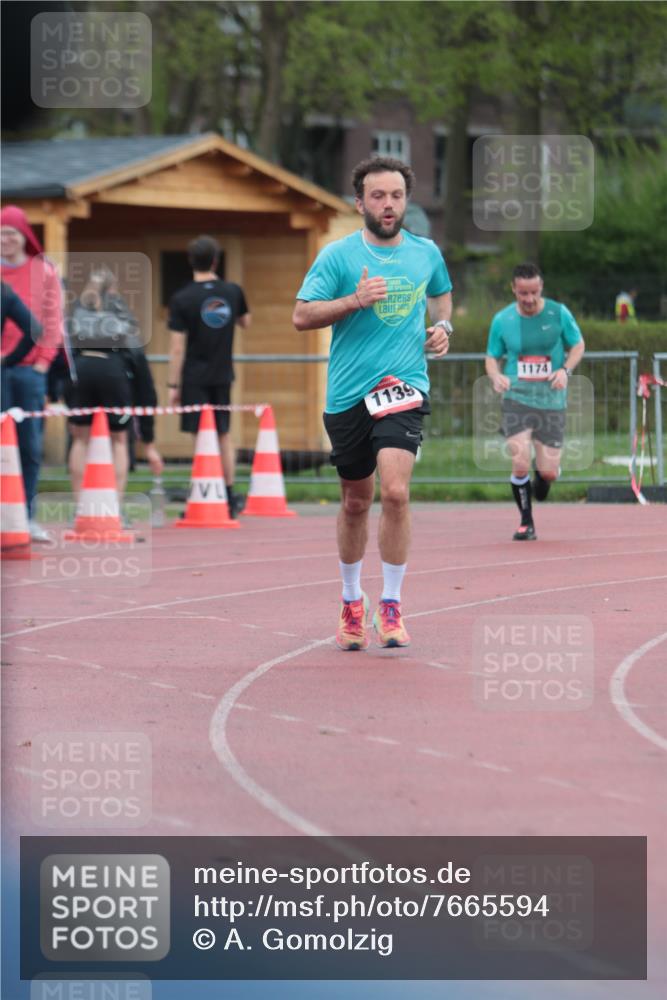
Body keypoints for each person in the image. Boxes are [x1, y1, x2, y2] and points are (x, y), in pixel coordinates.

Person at [293, 156, 453, 651]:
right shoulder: (338, 256)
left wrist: (443, 328)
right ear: (360, 202)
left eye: (397, 196)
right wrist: (353, 301)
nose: (388, 205)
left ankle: (391, 604)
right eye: (378, 196)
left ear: (407, 201)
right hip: (348, 395)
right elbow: (302, 315)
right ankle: (350, 599)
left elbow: (442, 297)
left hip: (402, 386)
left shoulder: (427, 253)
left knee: (397, 493)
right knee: (356, 501)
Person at [485, 263, 585, 541]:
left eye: (533, 292)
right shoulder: (502, 319)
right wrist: (495, 376)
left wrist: (565, 370)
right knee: (519, 461)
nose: (528, 299)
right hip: (517, 398)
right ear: (513, 290)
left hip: (551, 399)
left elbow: (577, 345)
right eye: (522, 293)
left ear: (541, 288)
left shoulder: (558, 313)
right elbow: (492, 356)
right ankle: (525, 522)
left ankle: (544, 477)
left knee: (548, 473)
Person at [167, 236, 251, 518]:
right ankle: (228, 495)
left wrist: (172, 384)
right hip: (222, 374)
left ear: (191, 261)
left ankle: (205, 496)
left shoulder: (182, 298)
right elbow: (245, 322)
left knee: (201, 437)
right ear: (216, 260)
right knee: (223, 435)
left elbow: (177, 347)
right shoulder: (232, 291)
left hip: (194, 376)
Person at [64, 267, 162, 500]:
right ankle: (115, 503)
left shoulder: (77, 311)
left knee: (80, 437)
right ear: (114, 289)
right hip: (112, 369)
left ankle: (80, 503)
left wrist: (64, 391)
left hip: (82, 370)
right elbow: (136, 353)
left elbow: (66, 350)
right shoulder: (120, 311)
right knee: (119, 438)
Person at [1, 205, 63, 541]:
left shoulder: (44, 271)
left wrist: (43, 361)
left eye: (11, 234)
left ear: (23, 236)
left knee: (30, 446)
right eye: (0, 235)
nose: (5, 241)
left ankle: (27, 515)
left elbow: (53, 321)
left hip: (29, 372)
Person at [1, 281, 43, 406]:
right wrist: (8, 360)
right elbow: (35, 329)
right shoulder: (4, 291)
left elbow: (34, 330)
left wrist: (9, 360)